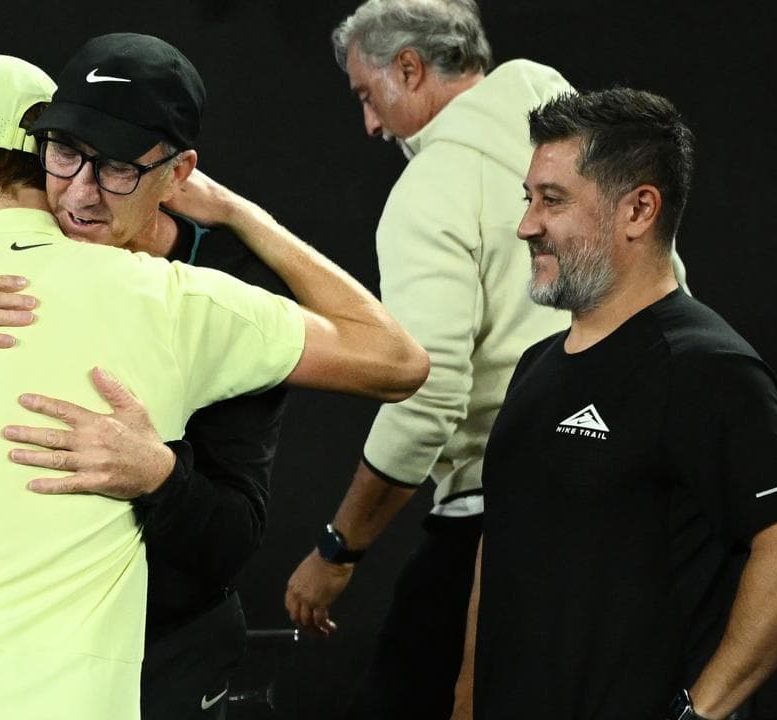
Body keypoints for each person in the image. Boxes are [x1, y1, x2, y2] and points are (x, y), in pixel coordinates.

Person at [0, 33, 385, 719]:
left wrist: (158, 476)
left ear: (176, 177)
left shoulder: (203, 292)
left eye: (114, 168)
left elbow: (231, 534)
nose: (82, 194)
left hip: (160, 652)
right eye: (65, 156)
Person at [449, 87, 777, 720]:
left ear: (638, 210)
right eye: (529, 199)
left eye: (552, 200)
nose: (526, 225)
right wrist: (466, 700)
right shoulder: (534, 368)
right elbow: (501, 548)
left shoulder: (706, 367)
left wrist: (699, 713)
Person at [284, 3, 584, 717]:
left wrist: (338, 549)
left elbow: (426, 391)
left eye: (367, 95)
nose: (372, 125)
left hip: (499, 516)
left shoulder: (432, 190)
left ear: (411, 68)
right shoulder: (587, 146)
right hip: (627, 513)